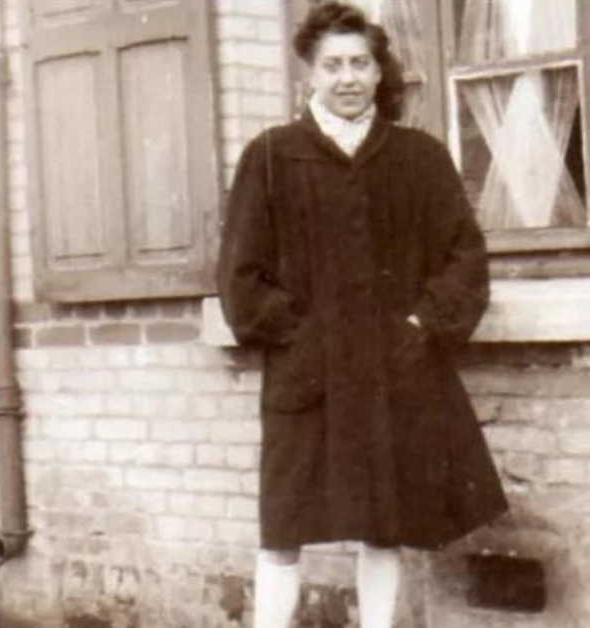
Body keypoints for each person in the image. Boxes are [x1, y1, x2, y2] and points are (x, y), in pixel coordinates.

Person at [216, 3, 508, 627]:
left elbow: (464, 259)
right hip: (307, 379)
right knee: (284, 528)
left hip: (391, 375)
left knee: (383, 523)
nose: (347, 77)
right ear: (309, 77)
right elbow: (240, 277)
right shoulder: (270, 158)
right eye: (332, 65)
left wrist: (421, 326)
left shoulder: (419, 158)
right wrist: (299, 336)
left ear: (379, 73)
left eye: (359, 63)